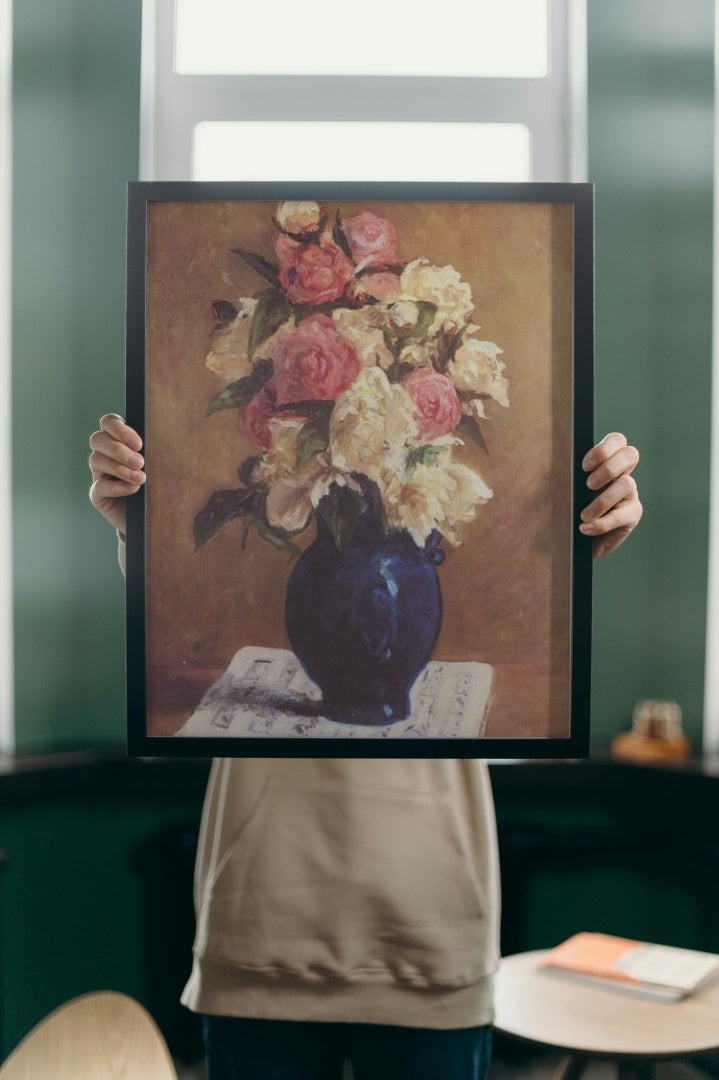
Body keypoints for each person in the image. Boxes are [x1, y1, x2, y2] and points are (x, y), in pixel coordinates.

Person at [89, 416, 642, 1080]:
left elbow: (538, 603)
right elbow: (173, 609)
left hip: (432, 928)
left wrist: (574, 548)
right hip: (262, 924)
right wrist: (139, 523)